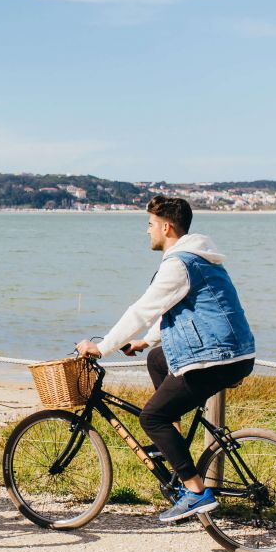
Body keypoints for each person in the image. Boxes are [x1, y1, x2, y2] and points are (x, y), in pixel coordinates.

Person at [76, 195, 255, 522]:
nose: (147, 232)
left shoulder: (179, 263)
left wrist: (103, 348)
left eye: (150, 225)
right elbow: (180, 310)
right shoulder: (199, 257)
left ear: (166, 227)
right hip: (233, 352)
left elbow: (143, 309)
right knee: (157, 360)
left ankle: (195, 491)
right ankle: (172, 443)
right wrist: (145, 340)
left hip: (218, 357)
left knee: (151, 418)